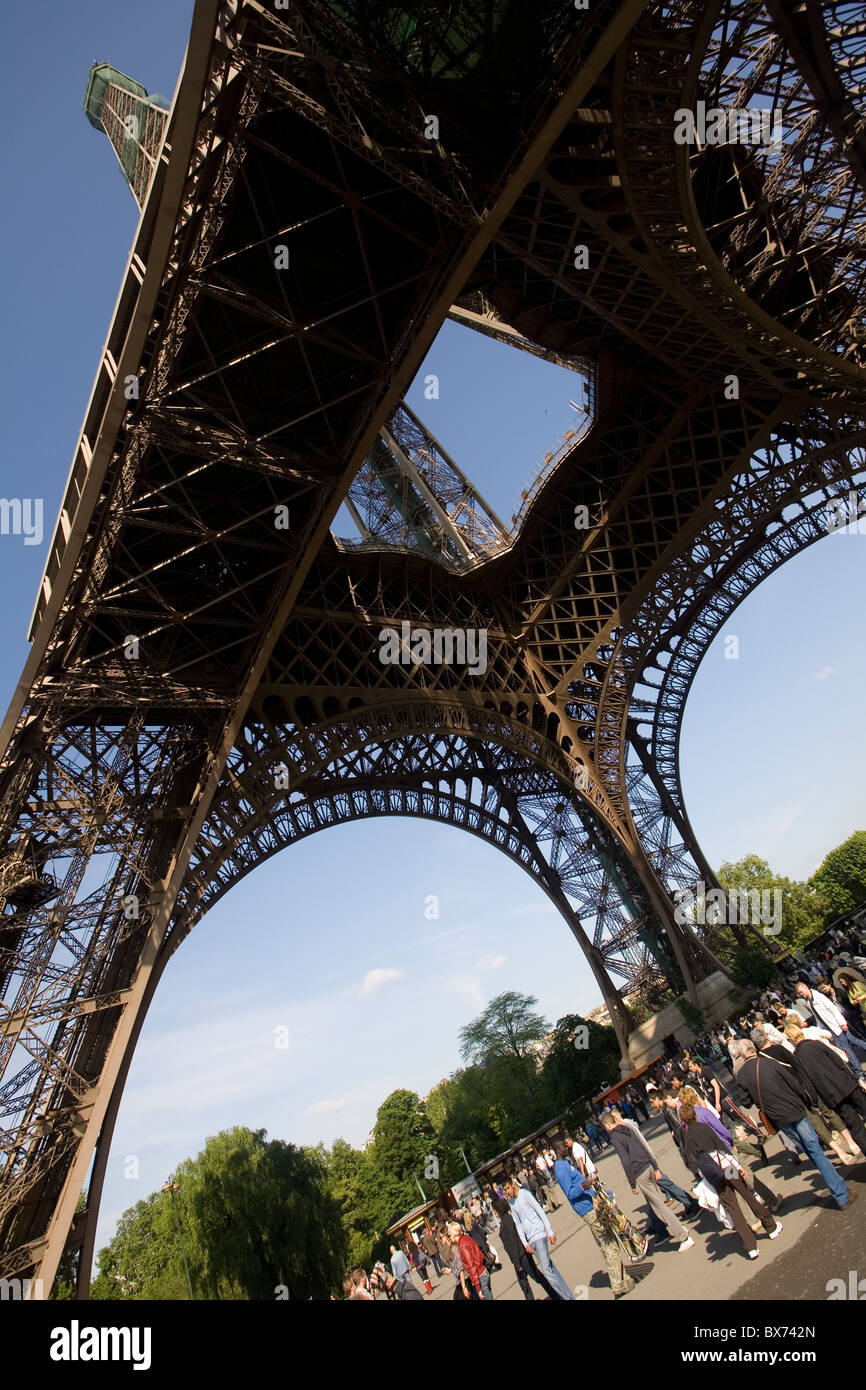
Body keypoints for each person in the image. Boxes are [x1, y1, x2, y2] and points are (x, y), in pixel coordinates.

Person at [735, 1039, 856, 1210]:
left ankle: (839, 1190)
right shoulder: (770, 1064)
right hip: (796, 1112)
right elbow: (795, 1085)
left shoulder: (741, 1075)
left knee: (811, 1152)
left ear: (741, 1054)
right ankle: (841, 1194)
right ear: (753, 1049)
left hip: (779, 1119)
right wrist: (810, 1104)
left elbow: (746, 1102)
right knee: (816, 1152)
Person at [680, 1103, 780, 1260]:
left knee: (733, 1208)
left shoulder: (688, 1139)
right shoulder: (703, 1128)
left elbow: (691, 1164)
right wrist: (738, 1166)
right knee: (746, 1194)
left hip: (713, 1175)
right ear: (693, 1115)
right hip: (727, 1166)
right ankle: (771, 1227)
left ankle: (750, 1247)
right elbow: (721, 1147)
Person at [552, 1140, 647, 1298]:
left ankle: (624, 1279)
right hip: (588, 1208)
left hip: (590, 1204)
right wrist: (585, 1184)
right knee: (609, 1243)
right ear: (558, 1151)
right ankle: (618, 1283)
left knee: (608, 1242)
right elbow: (570, 1192)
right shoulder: (561, 1169)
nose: (566, 1147)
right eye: (563, 1146)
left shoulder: (564, 1165)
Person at [601, 1112, 694, 1251]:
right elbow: (642, 1146)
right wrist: (655, 1166)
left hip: (639, 1171)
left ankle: (682, 1234)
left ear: (608, 1124)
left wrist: (632, 1183)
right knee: (655, 1205)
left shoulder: (615, 1136)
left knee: (659, 1206)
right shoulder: (627, 1127)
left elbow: (625, 1161)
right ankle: (672, 1228)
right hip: (648, 1165)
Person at [784, 1023, 866, 1159]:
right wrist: (856, 1078)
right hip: (848, 1084)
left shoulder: (797, 1058)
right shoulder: (817, 1044)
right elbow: (839, 1061)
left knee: (855, 1127)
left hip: (832, 1096)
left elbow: (808, 1083)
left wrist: (815, 1103)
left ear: (790, 1039)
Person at [608, 1107, 700, 1220]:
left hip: (645, 1162)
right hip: (645, 1162)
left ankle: (691, 1204)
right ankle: (663, 1222)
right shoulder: (626, 1126)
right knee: (662, 1188)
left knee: (665, 1185)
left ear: (617, 1117)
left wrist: (652, 1162)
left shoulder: (626, 1126)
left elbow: (640, 1143)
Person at [503, 1178, 574, 1300]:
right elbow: (518, 1225)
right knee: (551, 1269)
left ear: (513, 1185)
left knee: (546, 1270)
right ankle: (569, 1296)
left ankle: (566, 1298)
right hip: (531, 1240)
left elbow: (539, 1210)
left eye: (508, 1188)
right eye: (504, 1190)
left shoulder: (524, 1194)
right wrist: (525, 1244)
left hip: (539, 1234)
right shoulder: (512, 1204)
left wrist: (550, 1231)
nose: (507, 1192)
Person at [491, 1195, 563, 1300]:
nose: (493, 1212)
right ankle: (554, 1294)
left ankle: (556, 1294)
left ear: (498, 1209)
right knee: (524, 1284)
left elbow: (513, 1243)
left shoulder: (507, 1221)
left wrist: (517, 1263)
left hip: (521, 1256)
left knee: (537, 1277)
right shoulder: (506, 1220)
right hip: (519, 1257)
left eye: (494, 1209)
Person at [796, 981, 866, 1079]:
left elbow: (832, 1008)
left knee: (846, 1048)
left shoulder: (818, 996)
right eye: (799, 993)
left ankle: (859, 1072)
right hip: (831, 1028)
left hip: (836, 1026)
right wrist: (819, 1029)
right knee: (854, 1041)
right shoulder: (809, 1001)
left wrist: (842, 1023)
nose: (801, 994)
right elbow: (817, 1017)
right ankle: (859, 1071)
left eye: (801, 991)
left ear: (805, 987)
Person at [449, 1220, 492, 1301]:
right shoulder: (466, 1238)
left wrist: (478, 1287)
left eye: (450, 1235)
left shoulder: (462, 1245)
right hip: (483, 1270)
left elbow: (471, 1265)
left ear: (455, 1234)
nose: (450, 1237)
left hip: (479, 1275)